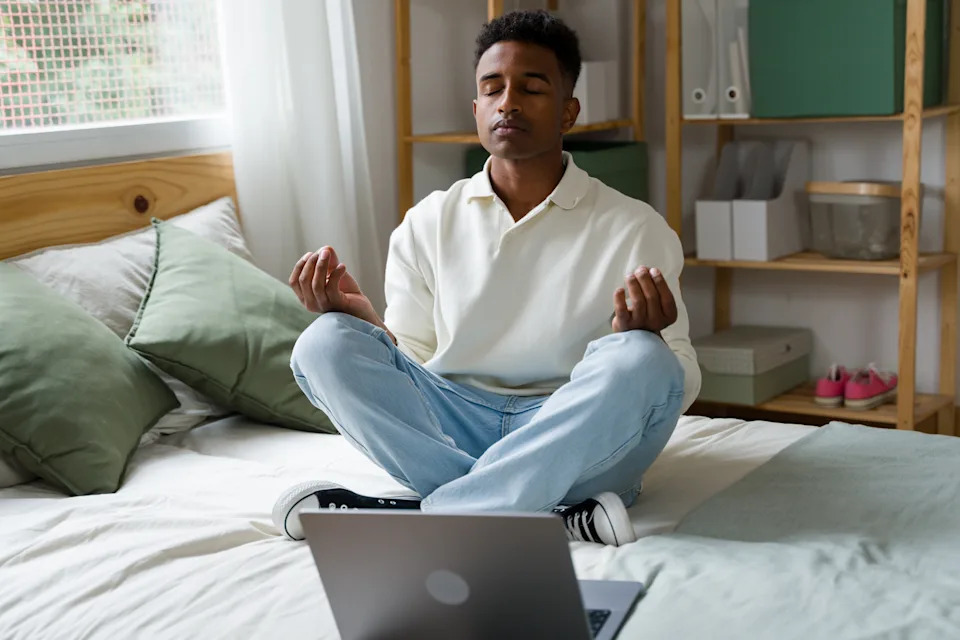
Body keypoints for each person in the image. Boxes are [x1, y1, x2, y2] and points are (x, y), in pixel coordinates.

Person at [272, 9, 700, 547]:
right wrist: (367, 327)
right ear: (476, 109)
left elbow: (677, 383)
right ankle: (539, 511)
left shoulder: (635, 227)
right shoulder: (427, 221)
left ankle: (437, 514)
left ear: (569, 112)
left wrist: (648, 337)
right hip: (456, 430)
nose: (508, 102)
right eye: (492, 89)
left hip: (572, 434)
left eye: (532, 88)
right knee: (323, 343)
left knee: (643, 359)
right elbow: (417, 365)